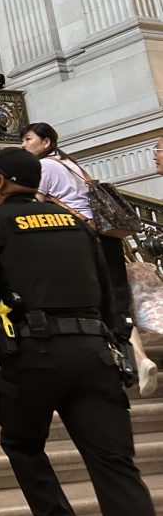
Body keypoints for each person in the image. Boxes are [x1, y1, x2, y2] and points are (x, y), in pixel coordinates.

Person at [0, 147, 159, 516]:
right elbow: (107, 288)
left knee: (22, 444)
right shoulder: (76, 222)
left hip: (34, 355)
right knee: (115, 465)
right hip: (94, 353)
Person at [21, 122, 158, 396]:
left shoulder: (45, 167)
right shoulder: (72, 164)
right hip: (106, 234)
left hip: (79, 237)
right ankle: (140, 359)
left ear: (46, 142)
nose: (24, 145)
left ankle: (112, 364)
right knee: (118, 303)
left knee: (89, 301)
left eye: (27, 139)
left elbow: (33, 202)